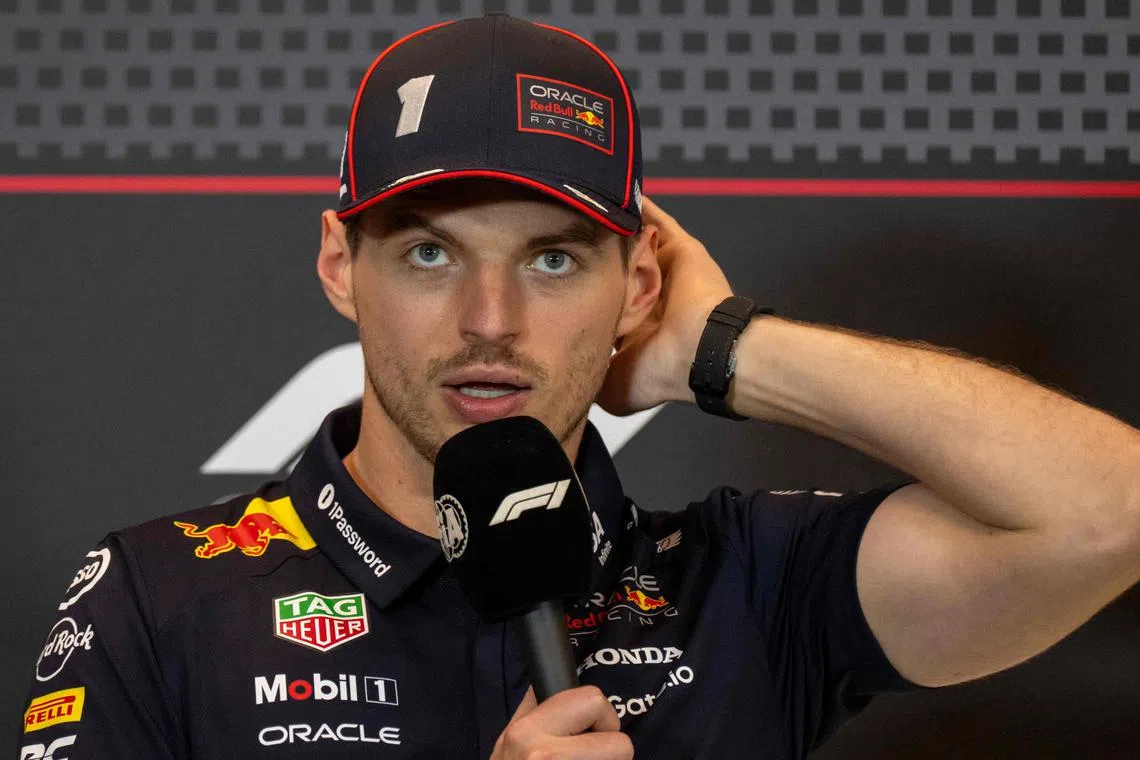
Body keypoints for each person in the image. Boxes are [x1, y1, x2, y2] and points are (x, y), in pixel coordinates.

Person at [18, 13, 1140, 760]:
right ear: (338, 267)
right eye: (429, 254)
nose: (490, 320)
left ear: (636, 282)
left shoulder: (745, 584)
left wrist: (723, 349)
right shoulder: (159, 601)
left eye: (552, 260)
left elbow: (1110, 512)